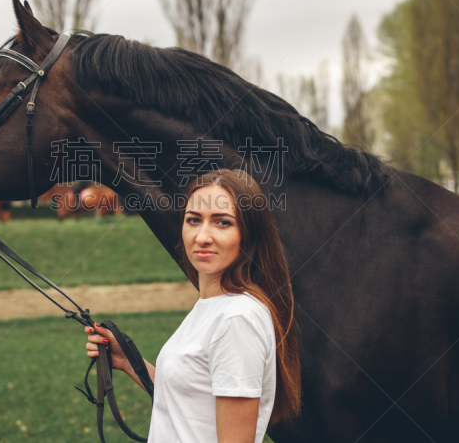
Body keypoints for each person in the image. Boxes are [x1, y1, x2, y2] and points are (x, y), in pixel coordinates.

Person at [85, 168, 301, 442]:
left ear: (249, 234)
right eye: (194, 220)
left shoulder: (237, 318)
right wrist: (129, 361)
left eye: (222, 222)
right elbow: (189, 396)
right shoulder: (213, 305)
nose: (202, 236)